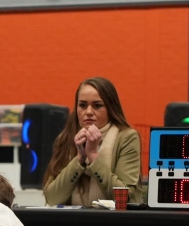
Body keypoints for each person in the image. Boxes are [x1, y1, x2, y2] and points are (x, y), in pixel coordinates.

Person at [43, 77, 144, 206]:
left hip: (111, 218)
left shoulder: (126, 138)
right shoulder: (66, 137)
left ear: (110, 108)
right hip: (73, 218)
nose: (89, 112)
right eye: (82, 105)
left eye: (97, 105)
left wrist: (93, 156)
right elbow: (52, 198)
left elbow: (125, 198)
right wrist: (79, 159)